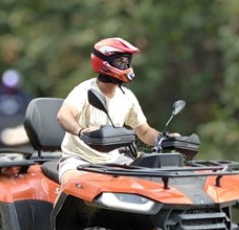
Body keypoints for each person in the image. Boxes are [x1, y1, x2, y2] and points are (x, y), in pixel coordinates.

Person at [56, 37, 178, 186]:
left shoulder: (127, 97)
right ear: (104, 62)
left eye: (127, 61)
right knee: (73, 185)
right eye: (120, 61)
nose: (126, 65)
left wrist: (166, 139)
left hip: (114, 160)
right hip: (78, 160)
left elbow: (145, 132)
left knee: (152, 183)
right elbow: (63, 115)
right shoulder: (85, 90)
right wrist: (81, 131)